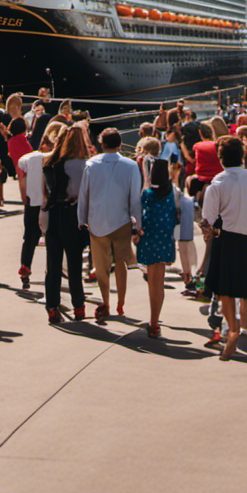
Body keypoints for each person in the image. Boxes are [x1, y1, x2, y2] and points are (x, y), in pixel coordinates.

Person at [201, 136, 247, 360]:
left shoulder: (217, 183)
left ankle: (233, 329)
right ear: (242, 156)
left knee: (225, 289)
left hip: (226, 238)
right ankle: (244, 320)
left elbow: (208, 218)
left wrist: (208, 232)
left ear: (220, 159)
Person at [77, 127, 141, 319]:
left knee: (101, 264)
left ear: (101, 144)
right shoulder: (130, 166)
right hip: (121, 220)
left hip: (96, 220)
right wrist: (138, 224)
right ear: (120, 144)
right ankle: (121, 303)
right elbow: (135, 198)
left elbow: (84, 195)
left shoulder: (91, 164)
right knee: (120, 262)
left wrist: (81, 219)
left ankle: (105, 301)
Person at [42, 126, 90, 323]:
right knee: (74, 264)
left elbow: (46, 193)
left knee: (52, 264)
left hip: (54, 213)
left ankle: (52, 307)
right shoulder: (86, 165)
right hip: (75, 215)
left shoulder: (51, 163)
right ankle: (79, 305)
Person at [15, 121, 66, 289]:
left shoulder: (28, 158)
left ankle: (25, 265)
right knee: (52, 237)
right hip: (50, 203)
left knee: (29, 237)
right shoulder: (55, 157)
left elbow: (21, 174)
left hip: (32, 201)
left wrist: (24, 196)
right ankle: (52, 270)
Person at [135, 158, 177, 337]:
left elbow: (139, 214)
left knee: (152, 282)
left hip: (150, 238)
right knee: (160, 282)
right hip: (166, 239)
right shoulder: (174, 193)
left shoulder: (147, 194)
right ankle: (155, 319)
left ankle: (153, 321)